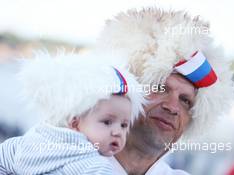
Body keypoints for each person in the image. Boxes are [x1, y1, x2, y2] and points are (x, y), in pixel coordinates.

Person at [96, 7, 234, 174]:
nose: (173, 107)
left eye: (185, 101)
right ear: (122, 91)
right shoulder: (67, 163)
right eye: (161, 88)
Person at [0, 52, 146, 174]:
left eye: (124, 125)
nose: (117, 132)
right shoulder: (96, 168)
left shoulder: (25, 143)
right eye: (107, 122)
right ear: (75, 123)